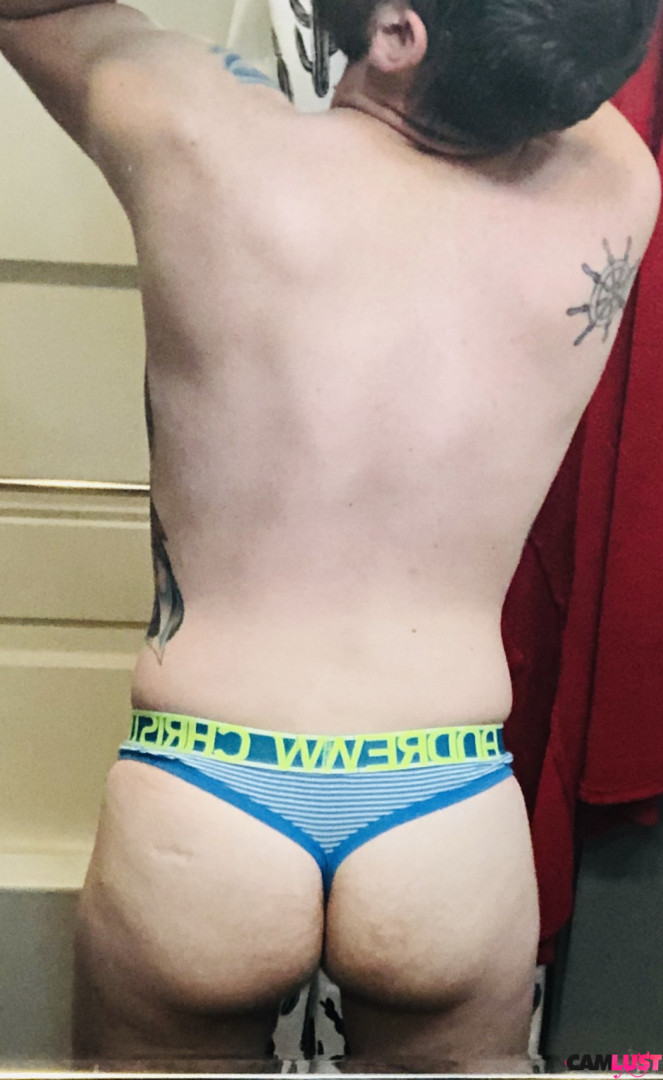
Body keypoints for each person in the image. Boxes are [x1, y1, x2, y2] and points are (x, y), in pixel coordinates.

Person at [1, 0, 660, 1070]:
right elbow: (568, 46)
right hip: (446, 809)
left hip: (205, 799)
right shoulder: (616, 186)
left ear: (401, 35)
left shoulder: (190, 126)